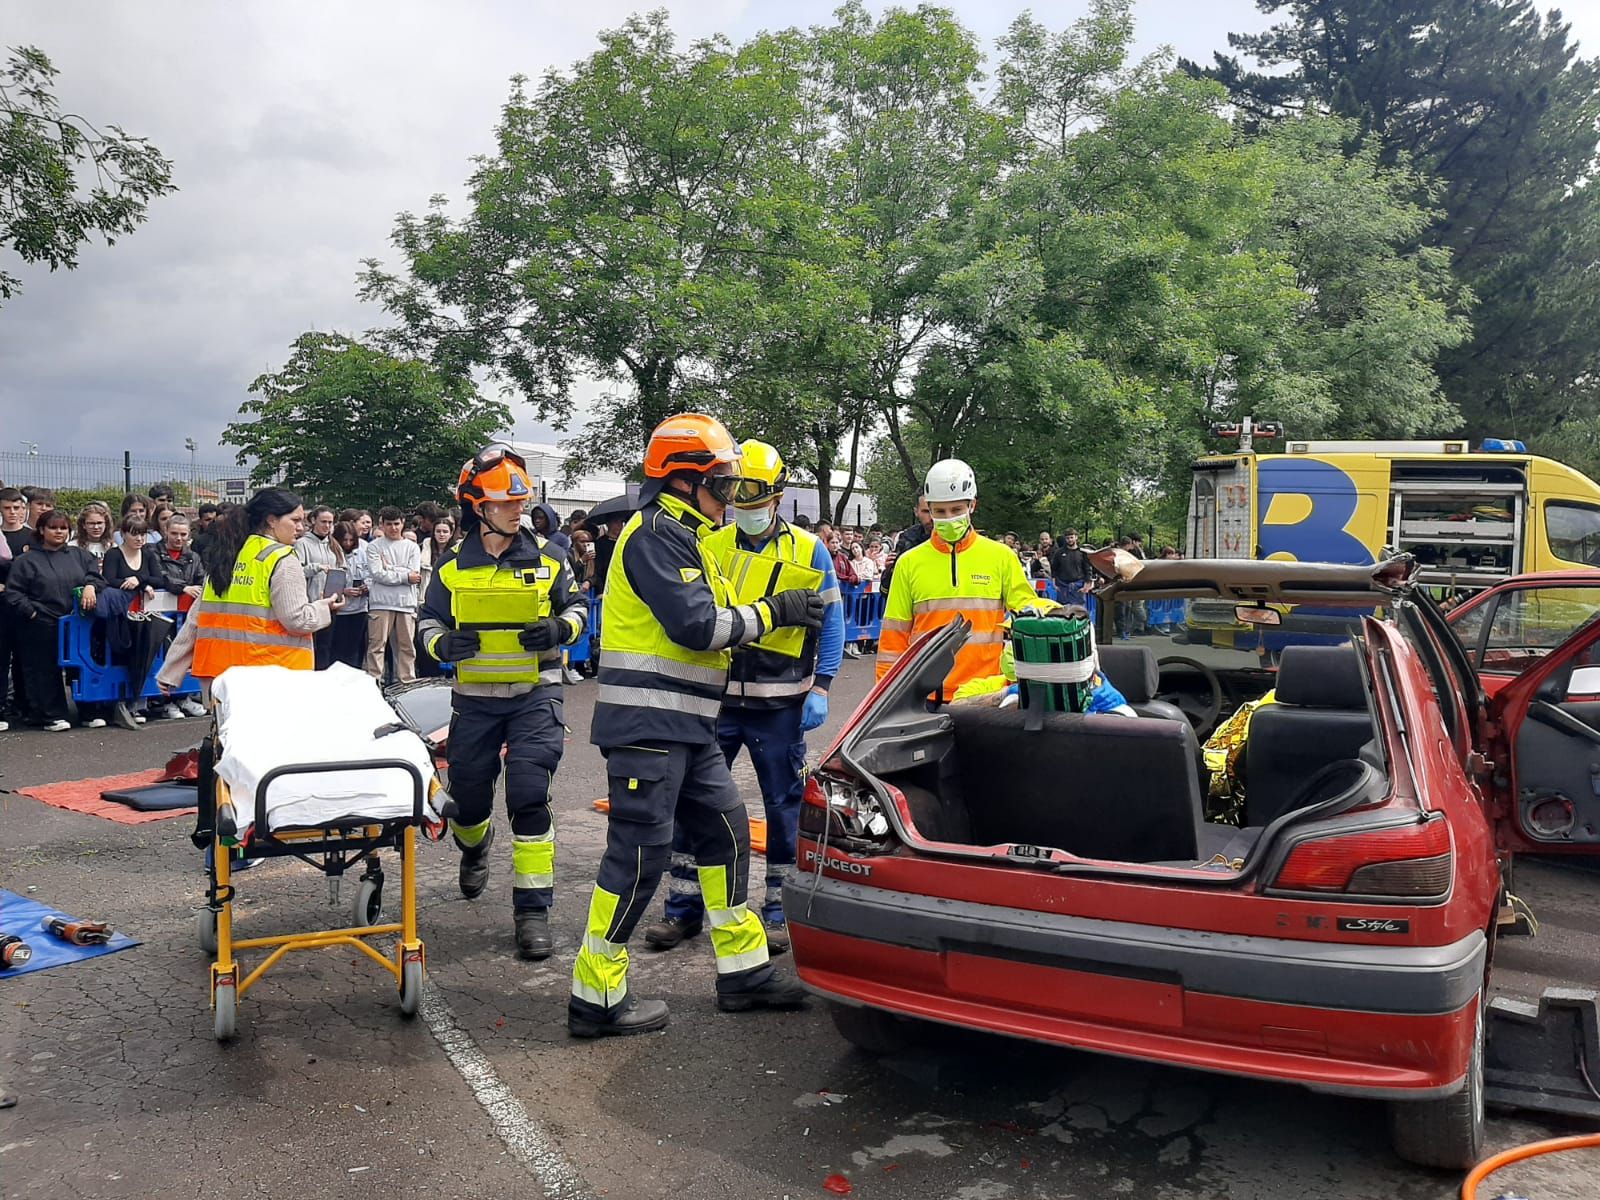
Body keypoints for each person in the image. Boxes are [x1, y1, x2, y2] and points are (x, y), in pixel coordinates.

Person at [569, 413, 821, 1037]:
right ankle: (595, 999)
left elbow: (702, 632)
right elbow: (698, 627)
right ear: (685, 480)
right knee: (639, 858)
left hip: (689, 726)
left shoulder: (687, 534)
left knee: (728, 838)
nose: (734, 496)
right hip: (648, 726)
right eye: (725, 482)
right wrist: (773, 613)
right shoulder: (656, 534)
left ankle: (744, 975)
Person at [641, 440, 844, 956]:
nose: (746, 513)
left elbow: (835, 621)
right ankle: (683, 909)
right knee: (696, 802)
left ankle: (779, 910)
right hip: (721, 700)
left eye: (756, 503)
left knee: (783, 808)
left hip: (781, 703)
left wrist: (822, 685)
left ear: (777, 497)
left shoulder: (809, 549)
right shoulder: (712, 543)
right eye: (739, 502)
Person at [417, 445, 587, 959]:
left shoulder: (552, 557)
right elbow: (426, 622)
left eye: (521, 500)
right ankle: (474, 846)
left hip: (537, 693)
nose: (519, 509)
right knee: (468, 801)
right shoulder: (449, 568)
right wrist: (441, 646)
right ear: (478, 507)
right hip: (475, 700)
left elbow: (578, 607)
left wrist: (561, 627)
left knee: (530, 795)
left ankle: (533, 912)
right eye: (505, 502)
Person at [875, 459, 1038, 703]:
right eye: (940, 511)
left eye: (956, 510)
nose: (948, 518)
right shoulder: (909, 563)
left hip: (986, 694)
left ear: (972, 505)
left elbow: (1028, 614)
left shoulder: (1002, 557)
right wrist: (884, 698)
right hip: (925, 696)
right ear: (928, 510)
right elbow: (893, 637)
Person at [3, 511, 103, 730]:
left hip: (76, 623)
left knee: (81, 667)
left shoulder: (80, 555)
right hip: (40, 623)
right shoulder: (25, 561)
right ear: (41, 530)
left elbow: (95, 574)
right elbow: (13, 593)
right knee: (43, 671)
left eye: (64, 528)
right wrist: (32, 614)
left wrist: (90, 586)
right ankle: (52, 716)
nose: (59, 532)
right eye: (54, 528)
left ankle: (87, 713)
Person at [364, 506, 422, 683]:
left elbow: (415, 574)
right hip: (381, 603)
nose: (393, 528)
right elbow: (377, 573)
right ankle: (375, 682)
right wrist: (404, 575)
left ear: (403, 523)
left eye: (396, 524)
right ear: (381, 524)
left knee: (407, 647)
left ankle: (407, 682)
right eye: (389, 524)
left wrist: (389, 568)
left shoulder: (412, 547)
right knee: (377, 646)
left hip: (406, 603)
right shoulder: (374, 546)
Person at [294, 506, 340, 668]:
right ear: (313, 520)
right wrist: (316, 567)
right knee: (311, 648)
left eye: (330, 522)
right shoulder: (301, 544)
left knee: (326, 648)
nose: (327, 526)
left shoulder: (333, 544)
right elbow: (296, 571)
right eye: (323, 522)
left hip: (329, 604)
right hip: (310, 604)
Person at [329, 521, 370, 670]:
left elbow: (370, 573)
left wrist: (366, 587)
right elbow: (327, 582)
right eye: (344, 540)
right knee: (338, 649)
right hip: (340, 610)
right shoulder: (331, 554)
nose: (347, 543)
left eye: (351, 540)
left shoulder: (362, 551)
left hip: (359, 608)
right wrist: (343, 591)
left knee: (355, 649)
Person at [880, 497, 932, 594]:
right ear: (916, 512)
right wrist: (890, 570)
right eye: (926, 511)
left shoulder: (955, 541)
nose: (932, 517)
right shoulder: (907, 539)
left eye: (937, 511)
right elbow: (887, 591)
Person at [1050, 528, 1094, 606]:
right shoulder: (1059, 553)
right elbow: (1054, 569)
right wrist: (1054, 583)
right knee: (1063, 613)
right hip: (1062, 587)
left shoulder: (1082, 552)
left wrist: (1087, 585)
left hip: (1078, 586)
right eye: (1067, 538)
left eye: (1071, 537)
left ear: (1076, 537)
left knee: (1078, 613)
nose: (1070, 540)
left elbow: (1087, 569)